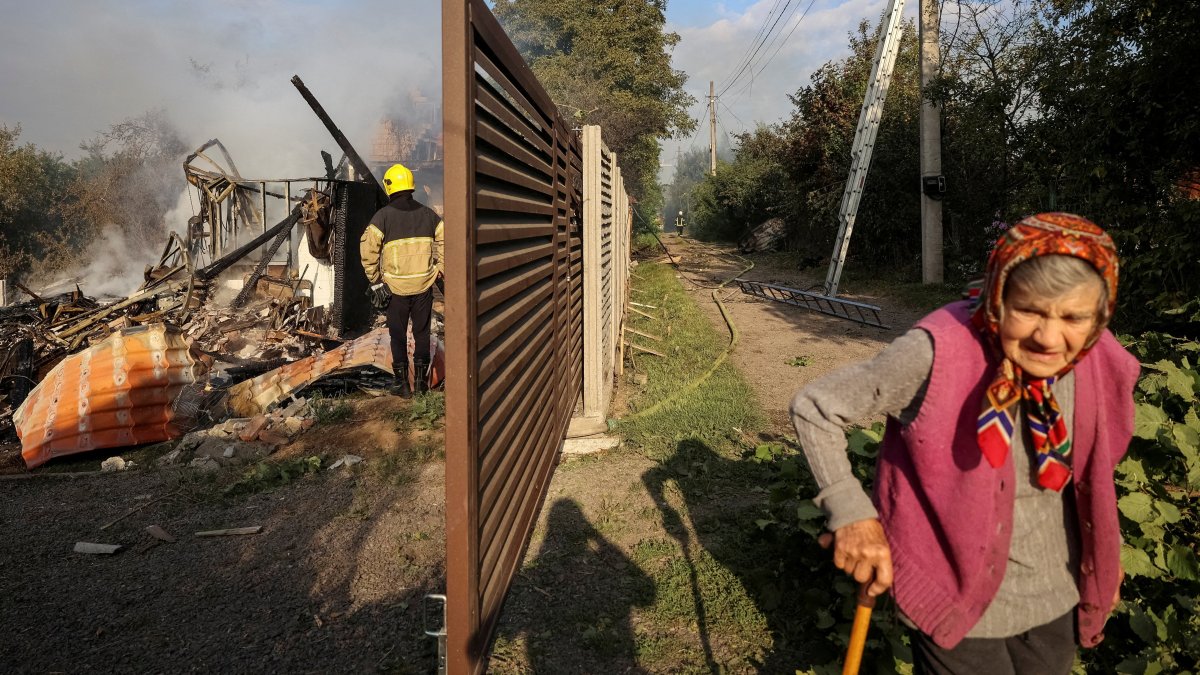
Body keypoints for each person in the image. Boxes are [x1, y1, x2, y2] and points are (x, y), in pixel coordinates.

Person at [789, 213, 1139, 674]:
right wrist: (853, 515)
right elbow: (816, 407)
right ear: (998, 297)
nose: (1048, 338)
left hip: (1057, 592)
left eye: (1073, 317)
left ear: (1099, 316)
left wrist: (1102, 563)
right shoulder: (939, 350)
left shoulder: (1100, 359)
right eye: (1029, 310)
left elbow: (1095, 475)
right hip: (953, 589)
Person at [360, 163, 444, 398]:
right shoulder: (428, 214)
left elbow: (368, 251)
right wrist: (441, 269)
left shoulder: (383, 216)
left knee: (397, 334)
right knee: (422, 334)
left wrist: (375, 280)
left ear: (389, 186)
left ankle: (401, 385)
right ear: (410, 185)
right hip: (424, 286)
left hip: (395, 288)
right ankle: (421, 384)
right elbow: (447, 238)